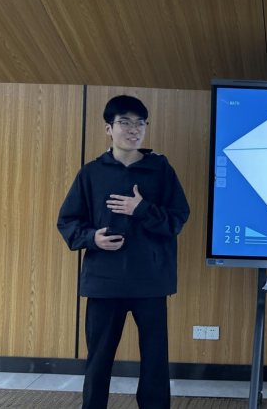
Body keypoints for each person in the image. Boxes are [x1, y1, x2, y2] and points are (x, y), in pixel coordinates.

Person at [58, 95, 190, 409]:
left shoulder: (161, 169)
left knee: (155, 359)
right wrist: (92, 238)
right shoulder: (91, 173)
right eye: (125, 123)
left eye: (140, 124)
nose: (134, 130)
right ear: (109, 128)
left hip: (151, 281)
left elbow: (177, 218)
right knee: (98, 358)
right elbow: (68, 220)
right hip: (104, 282)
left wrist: (141, 209)